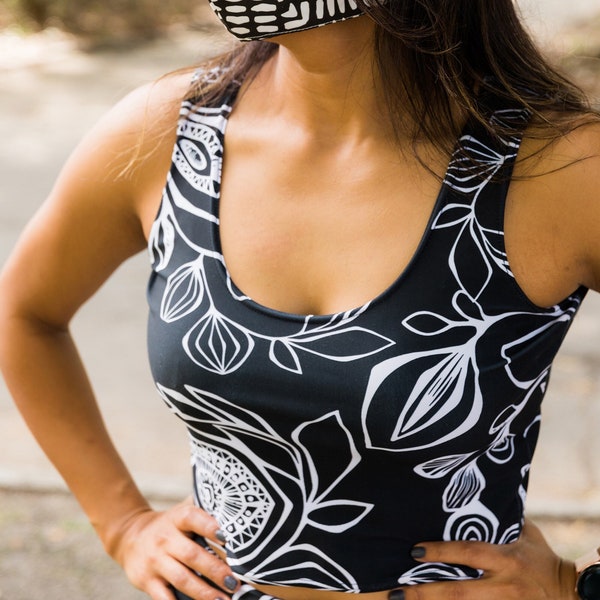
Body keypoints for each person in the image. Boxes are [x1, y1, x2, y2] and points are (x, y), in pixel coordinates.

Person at [1, 1, 599, 599]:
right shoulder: (170, 131)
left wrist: (578, 584)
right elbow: (23, 313)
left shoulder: (562, 167)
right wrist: (122, 524)